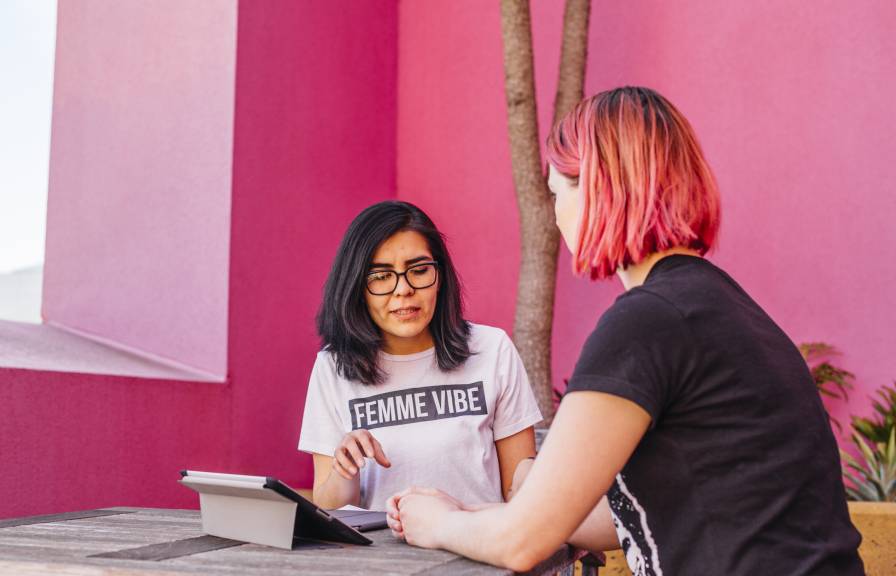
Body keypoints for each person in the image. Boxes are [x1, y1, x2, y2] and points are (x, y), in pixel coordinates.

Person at [387, 87, 864, 575]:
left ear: (598, 189)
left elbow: (523, 543)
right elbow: (624, 519)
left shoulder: (647, 322)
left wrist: (437, 523)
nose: (555, 215)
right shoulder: (718, 307)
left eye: (557, 193)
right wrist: (473, 513)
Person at [298, 200, 543, 512]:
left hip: (480, 550)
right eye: (381, 276)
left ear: (439, 276)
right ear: (357, 286)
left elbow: (519, 494)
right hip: (381, 558)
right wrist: (344, 469)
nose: (403, 289)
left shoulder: (491, 350)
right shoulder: (333, 367)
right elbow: (331, 508)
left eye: (419, 270)